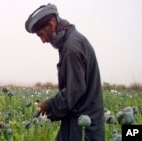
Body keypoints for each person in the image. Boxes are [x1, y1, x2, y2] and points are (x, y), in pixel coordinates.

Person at [25, 3, 105, 141]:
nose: (43, 41)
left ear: (51, 25)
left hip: (84, 128)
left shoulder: (72, 47)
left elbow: (74, 90)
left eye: (41, 35)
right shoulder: (70, 42)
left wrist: (49, 106)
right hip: (74, 122)